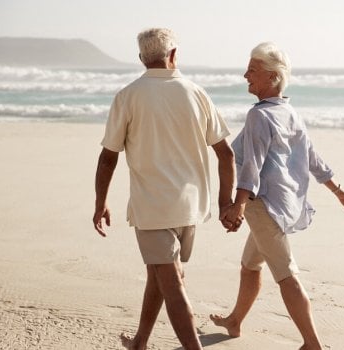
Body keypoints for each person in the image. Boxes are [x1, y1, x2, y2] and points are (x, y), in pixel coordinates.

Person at [93, 28, 238, 350]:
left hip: (153, 208)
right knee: (160, 275)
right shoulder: (197, 92)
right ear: (173, 55)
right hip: (190, 207)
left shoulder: (128, 95)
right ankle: (140, 342)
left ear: (142, 59)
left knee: (171, 283)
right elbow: (225, 154)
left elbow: (108, 157)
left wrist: (100, 202)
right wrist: (226, 202)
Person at [210, 42, 344, 350]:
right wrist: (338, 191)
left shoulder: (259, 117)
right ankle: (235, 321)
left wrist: (237, 206)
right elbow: (312, 158)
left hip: (262, 205)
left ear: (273, 77)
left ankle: (312, 342)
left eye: (252, 70)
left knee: (286, 273)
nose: (245, 75)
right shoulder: (290, 112)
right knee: (250, 264)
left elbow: (252, 168)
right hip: (280, 202)